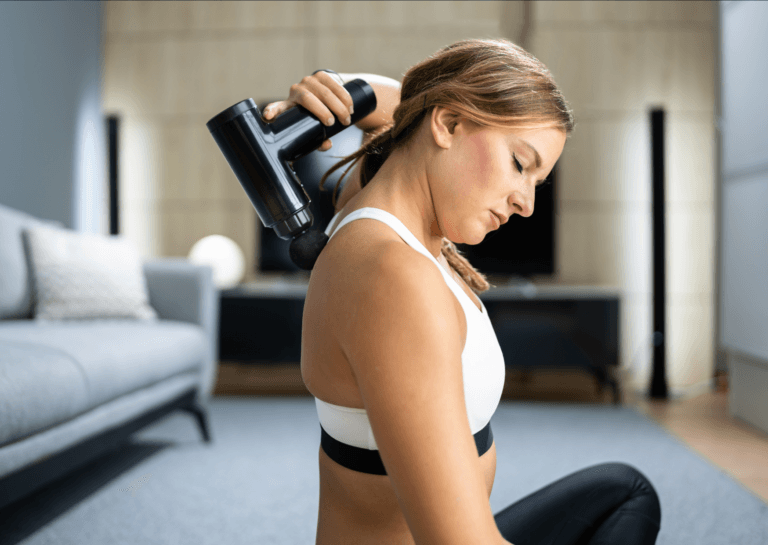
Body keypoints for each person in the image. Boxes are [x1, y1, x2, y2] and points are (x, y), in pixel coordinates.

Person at [263, 38, 662, 545]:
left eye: (537, 181)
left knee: (625, 493)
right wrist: (343, 97)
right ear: (449, 125)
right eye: (521, 163)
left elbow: (403, 110)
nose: (526, 205)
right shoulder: (391, 276)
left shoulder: (373, 202)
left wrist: (344, 93)